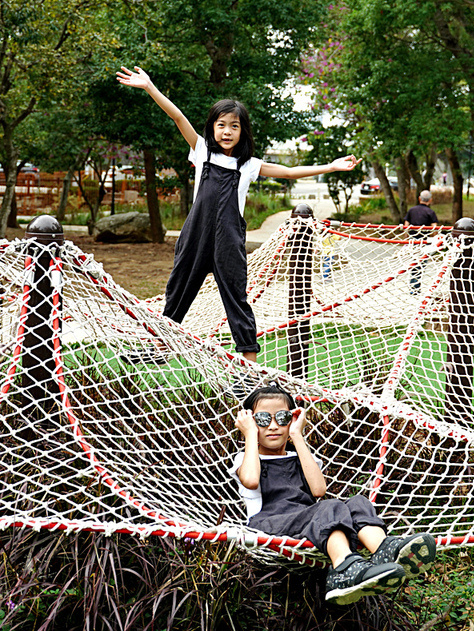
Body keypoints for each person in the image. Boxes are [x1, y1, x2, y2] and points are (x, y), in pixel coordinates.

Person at [116, 67, 359, 363]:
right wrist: (151, 88)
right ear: (212, 127)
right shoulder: (202, 151)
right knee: (176, 290)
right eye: (221, 125)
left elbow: (288, 171)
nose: (227, 131)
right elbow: (178, 117)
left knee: (236, 299)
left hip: (228, 242)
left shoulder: (249, 165)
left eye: (234, 126)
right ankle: (160, 348)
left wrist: (330, 167)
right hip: (195, 237)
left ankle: (249, 362)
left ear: (242, 131)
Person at [231, 383, 437, 605]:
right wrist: (250, 434)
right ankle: (343, 567)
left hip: (308, 521)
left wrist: (297, 436)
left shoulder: (299, 455)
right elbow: (251, 480)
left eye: (281, 418)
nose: (273, 426)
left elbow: (318, 490)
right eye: (262, 419)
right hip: (268, 525)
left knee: (358, 501)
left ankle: (384, 550)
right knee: (330, 507)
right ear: (251, 422)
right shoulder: (247, 459)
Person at [404, 190, 440, 295]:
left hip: (413, 241)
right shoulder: (430, 213)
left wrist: (406, 238)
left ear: (419, 198)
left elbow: (406, 225)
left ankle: (414, 286)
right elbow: (434, 228)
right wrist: (435, 239)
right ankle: (415, 287)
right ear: (430, 200)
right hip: (424, 242)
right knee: (421, 265)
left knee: (414, 263)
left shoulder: (411, 210)